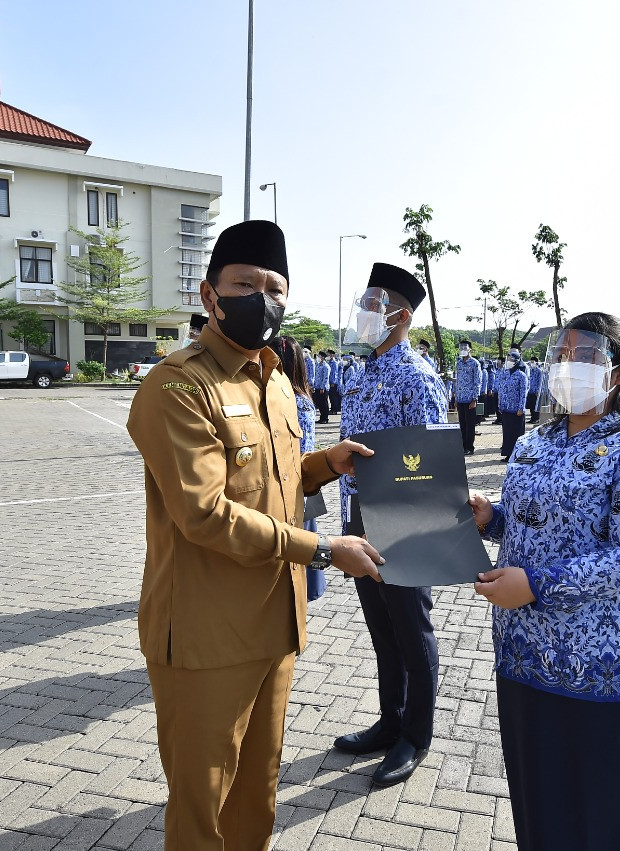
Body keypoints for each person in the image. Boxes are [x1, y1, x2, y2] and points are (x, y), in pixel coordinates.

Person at [126, 220, 385, 851]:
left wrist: (327, 465)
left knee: (257, 796)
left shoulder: (272, 379)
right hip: (206, 635)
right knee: (202, 808)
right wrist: (324, 549)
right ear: (210, 294)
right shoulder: (178, 385)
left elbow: (276, 482)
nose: (261, 298)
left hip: (275, 623)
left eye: (274, 287)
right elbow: (206, 513)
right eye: (245, 283)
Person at [468, 312, 620, 851]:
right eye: (561, 354)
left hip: (598, 660)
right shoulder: (535, 442)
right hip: (523, 653)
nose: (568, 366)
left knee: (611, 812)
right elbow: (524, 517)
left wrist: (538, 584)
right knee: (541, 798)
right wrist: (490, 516)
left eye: (585, 357)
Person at [334, 262, 450, 787]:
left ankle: (415, 734)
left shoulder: (416, 376)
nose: (364, 309)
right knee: (382, 629)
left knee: (411, 628)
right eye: (366, 298)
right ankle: (390, 719)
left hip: (402, 517)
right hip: (361, 514)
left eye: (374, 302)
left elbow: (427, 459)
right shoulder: (366, 370)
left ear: (401, 314)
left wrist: (415, 533)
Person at [277, 336, 328, 602]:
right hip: (290, 482)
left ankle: (307, 591)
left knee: (304, 536)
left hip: (298, 482)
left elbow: (302, 449)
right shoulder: (287, 397)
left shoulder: (298, 401)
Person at [495, 348, 529, 461]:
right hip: (505, 408)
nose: (508, 361)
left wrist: (521, 408)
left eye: (511, 359)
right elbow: (500, 390)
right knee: (507, 432)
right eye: (508, 358)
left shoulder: (521, 376)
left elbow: (523, 393)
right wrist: (500, 405)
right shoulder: (504, 373)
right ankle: (508, 453)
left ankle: (516, 454)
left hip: (516, 410)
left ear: (516, 361)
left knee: (517, 433)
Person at [455, 340, 482, 455]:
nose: (462, 350)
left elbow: (477, 382)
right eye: (461, 348)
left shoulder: (475, 363)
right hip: (460, 398)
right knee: (462, 423)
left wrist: (475, 398)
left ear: (470, 350)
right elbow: (458, 381)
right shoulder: (458, 363)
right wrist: (455, 397)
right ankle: (462, 446)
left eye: (465, 348)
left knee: (470, 424)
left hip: (470, 399)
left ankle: (469, 447)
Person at [310, 349, 331, 424]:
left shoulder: (326, 366)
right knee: (319, 403)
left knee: (324, 404)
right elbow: (316, 376)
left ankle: (325, 418)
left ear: (322, 357)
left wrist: (322, 387)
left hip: (323, 388)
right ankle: (321, 417)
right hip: (317, 387)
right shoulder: (318, 365)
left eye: (319, 356)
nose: (318, 357)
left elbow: (325, 378)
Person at [526, 354, 543, 423]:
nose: (531, 363)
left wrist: (538, 391)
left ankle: (536, 418)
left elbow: (540, 382)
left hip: (536, 391)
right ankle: (532, 418)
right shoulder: (529, 370)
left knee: (536, 405)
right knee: (531, 406)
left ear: (536, 362)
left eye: (533, 362)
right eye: (531, 362)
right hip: (530, 391)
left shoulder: (539, 371)